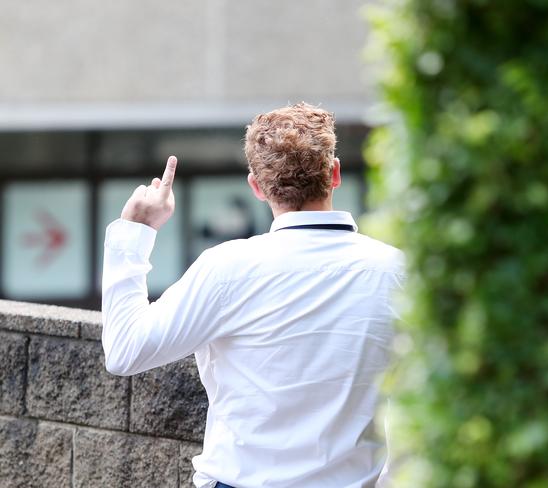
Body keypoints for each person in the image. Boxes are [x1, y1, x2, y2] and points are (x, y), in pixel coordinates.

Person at [102, 102, 405, 488]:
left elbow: (125, 351)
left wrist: (136, 232)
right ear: (335, 174)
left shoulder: (227, 268)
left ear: (257, 187)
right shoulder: (397, 272)